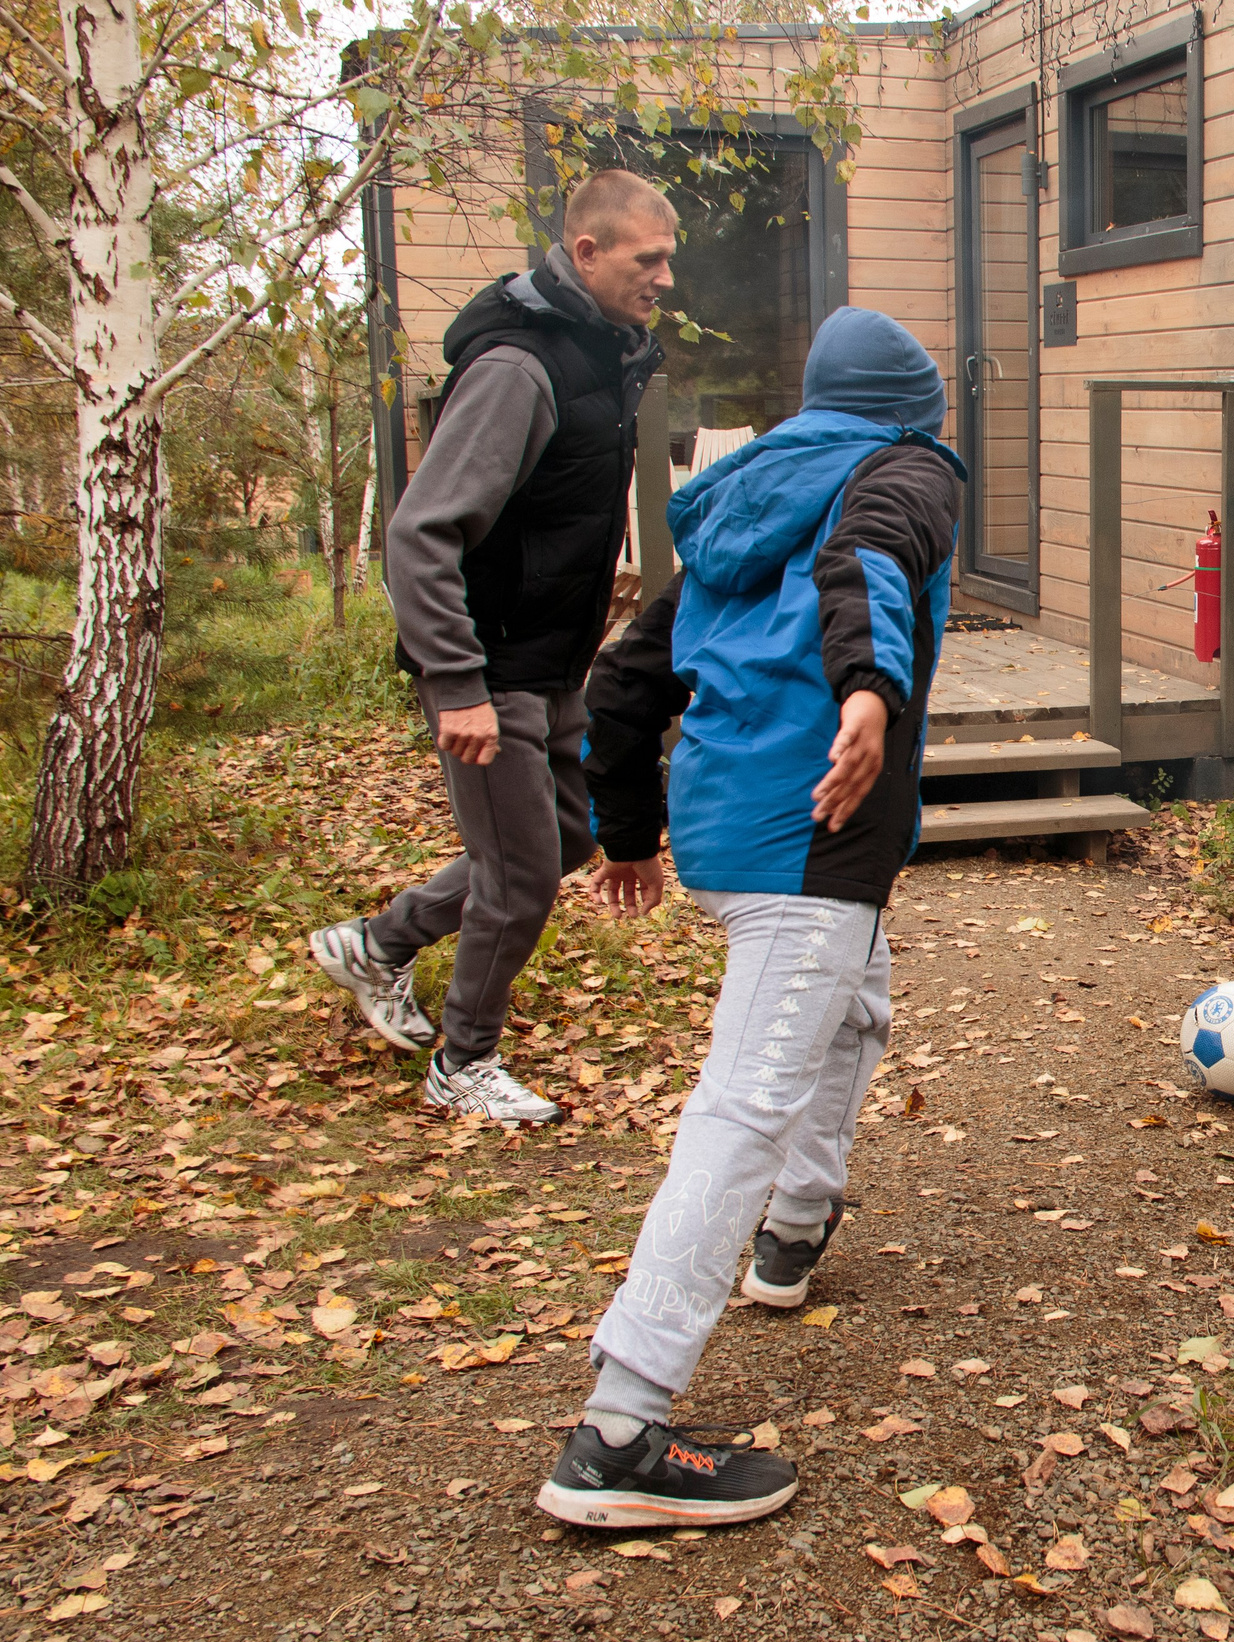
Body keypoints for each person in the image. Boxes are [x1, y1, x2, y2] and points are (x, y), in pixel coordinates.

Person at [532, 307, 962, 1529]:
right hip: (813, 826)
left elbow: (629, 675)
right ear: (909, 410)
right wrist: (872, 692)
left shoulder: (738, 492)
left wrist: (626, 828)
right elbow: (869, 562)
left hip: (730, 826)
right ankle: (618, 1431)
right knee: (744, 1102)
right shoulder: (901, 470)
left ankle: (791, 1233)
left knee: (854, 1010)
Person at [307, 170, 677, 1125]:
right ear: (587, 253)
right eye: (649, 259)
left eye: (669, 258)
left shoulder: (603, 352)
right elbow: (419, 531)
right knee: (516, 879)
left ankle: (381, 941)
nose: (665, 278)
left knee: (564, 835)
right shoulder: (522, 367)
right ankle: (462, 1060)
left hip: (552, 659)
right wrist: (456, 680)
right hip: (492, 663)